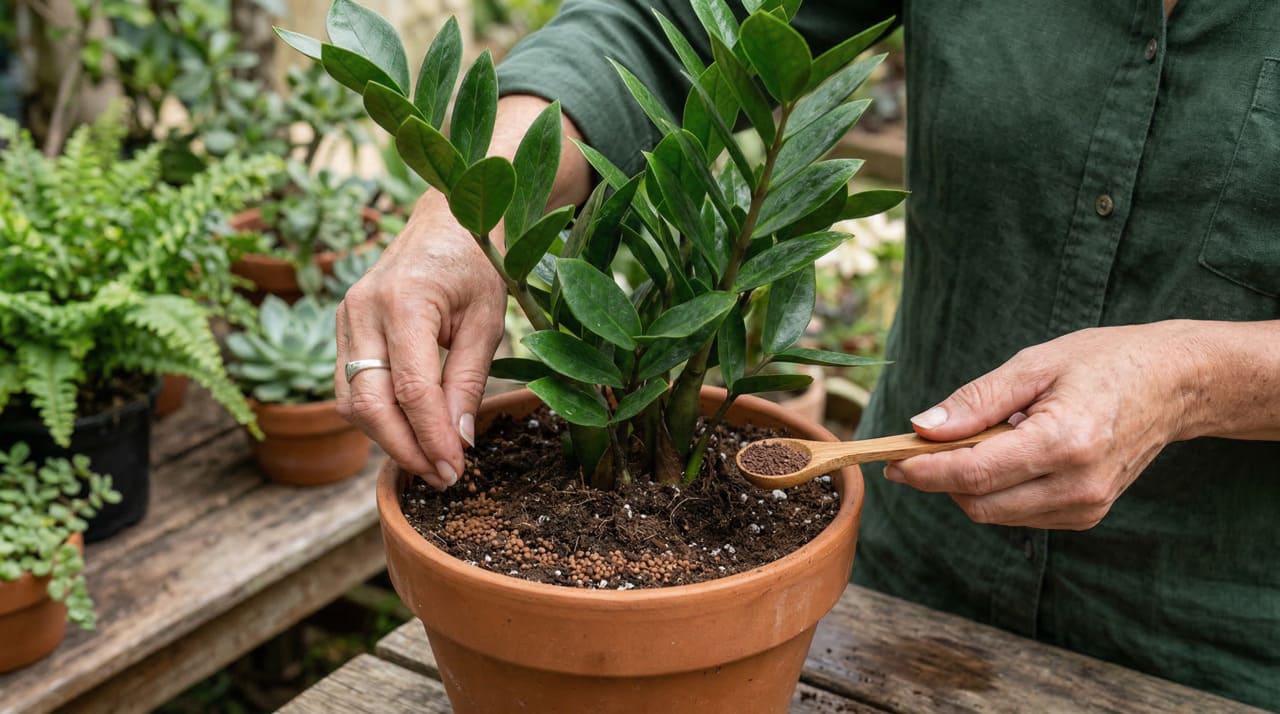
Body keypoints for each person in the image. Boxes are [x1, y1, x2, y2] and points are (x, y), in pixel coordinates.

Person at [334, 1, 1280, 707]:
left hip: (1224, 652)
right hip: (900, 590)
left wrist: (1193, 379)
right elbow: (670, 20)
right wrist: (477, 209)